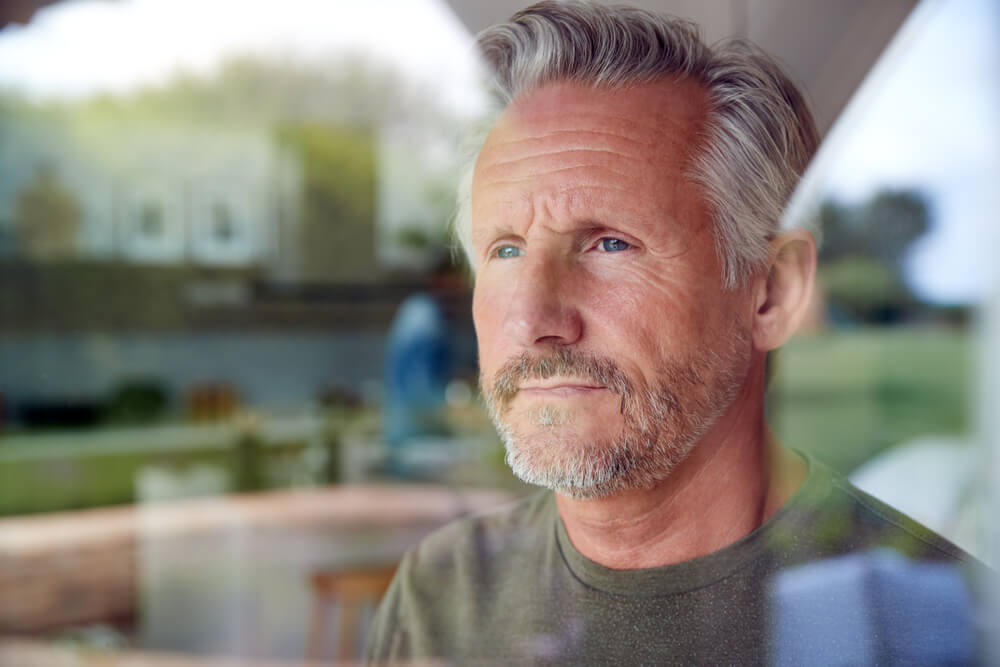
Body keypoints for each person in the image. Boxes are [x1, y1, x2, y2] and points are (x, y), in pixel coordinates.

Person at [366, 2, 974, 664]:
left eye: (609, 244)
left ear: (771, 292)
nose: (534, 321)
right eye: (506, 250)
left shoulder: (929, 625)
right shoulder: (441, 596)